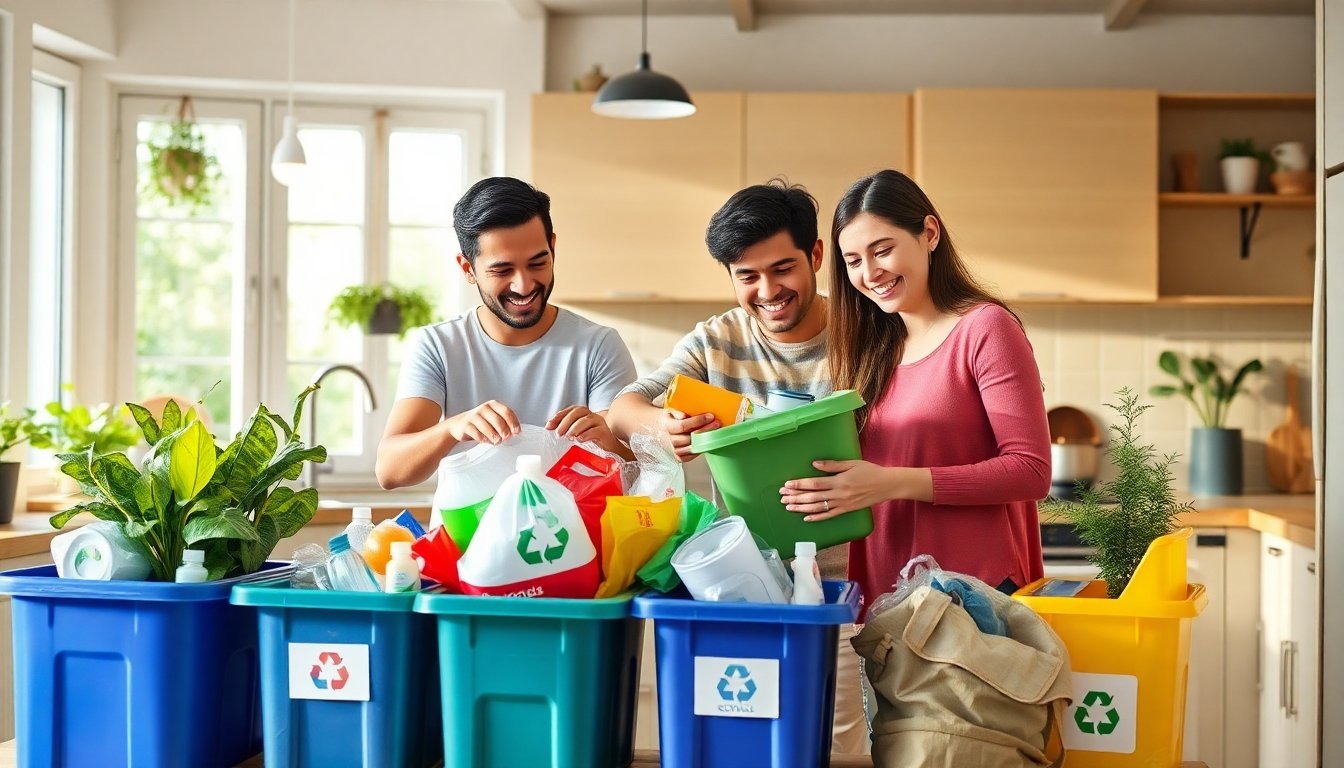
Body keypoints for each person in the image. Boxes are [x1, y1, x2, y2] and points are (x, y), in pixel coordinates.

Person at [606, 180, 871, 754]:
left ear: (816, 257)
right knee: (747, 742)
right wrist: (665, 426)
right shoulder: (717, 340)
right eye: (747, 276)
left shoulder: (865, 333)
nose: (767, 290)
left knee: (838, 745)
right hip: (749, 585)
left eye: (783, 269)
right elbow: (624, 407)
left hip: (850, 591)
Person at [779, 168, 1050, 612]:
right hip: (888, 594)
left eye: (882, 250)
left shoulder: (985, 329)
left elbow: (1030, 471)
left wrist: (888, 484)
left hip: (973, 595)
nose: (870, 273)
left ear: (929, 233)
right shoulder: (873, 350)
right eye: (852, 261)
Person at [376, 176, 637, 491]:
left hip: (573, 539)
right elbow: (389, 471)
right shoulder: (440, 346)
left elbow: (640, 476)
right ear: (467, 269)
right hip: (465, 539)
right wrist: (452, 428)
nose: (524, 286)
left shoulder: (598, 346)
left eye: (537, 263)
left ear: (553, 247)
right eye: (502, 270)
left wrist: (607, 441)